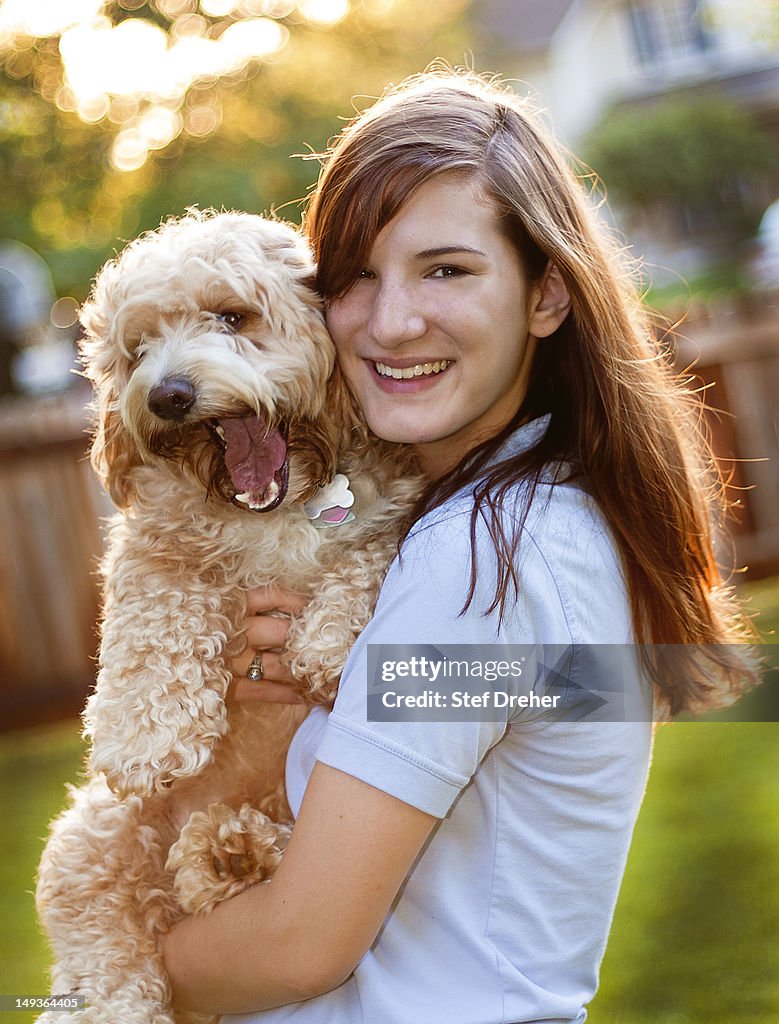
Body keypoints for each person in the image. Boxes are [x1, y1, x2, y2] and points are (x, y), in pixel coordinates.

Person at [162, 69, 755, 1023]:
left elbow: (299, 946)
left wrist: (95, 975)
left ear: (546, 294)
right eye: (355, 274)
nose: (390, 322)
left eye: (447, 269)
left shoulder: (483, 560)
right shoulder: (522, 517)